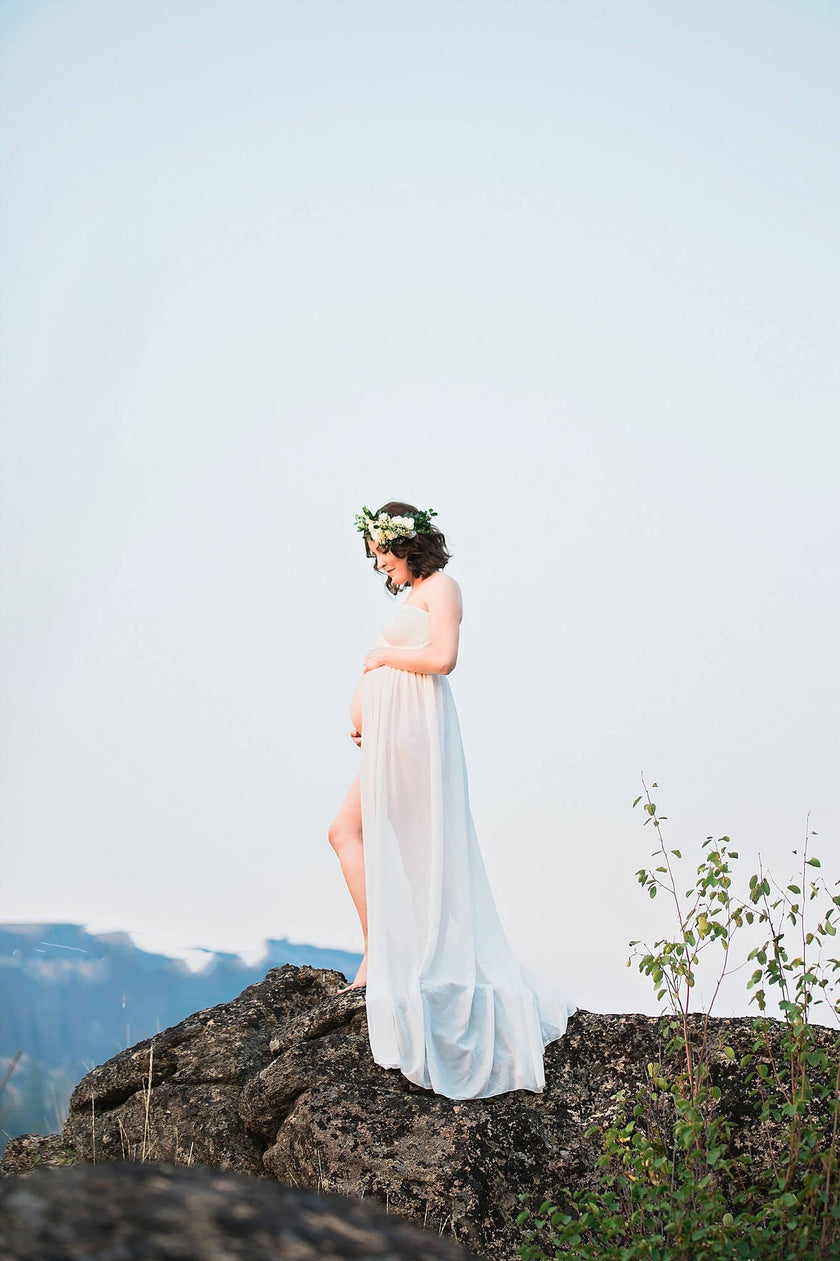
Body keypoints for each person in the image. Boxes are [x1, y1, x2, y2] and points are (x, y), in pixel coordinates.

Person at [328, 501, 574, 1099]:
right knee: (348, 834)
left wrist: (381, 660)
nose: (378, 563)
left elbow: (443, 659)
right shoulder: (410, 595)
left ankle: (383, 958)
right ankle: (377, 952)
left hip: (416, 733)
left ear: (404, 543)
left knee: (389, 842)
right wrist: (366, 713)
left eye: (380, 550)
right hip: (393, 732)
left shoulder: (443, 587)